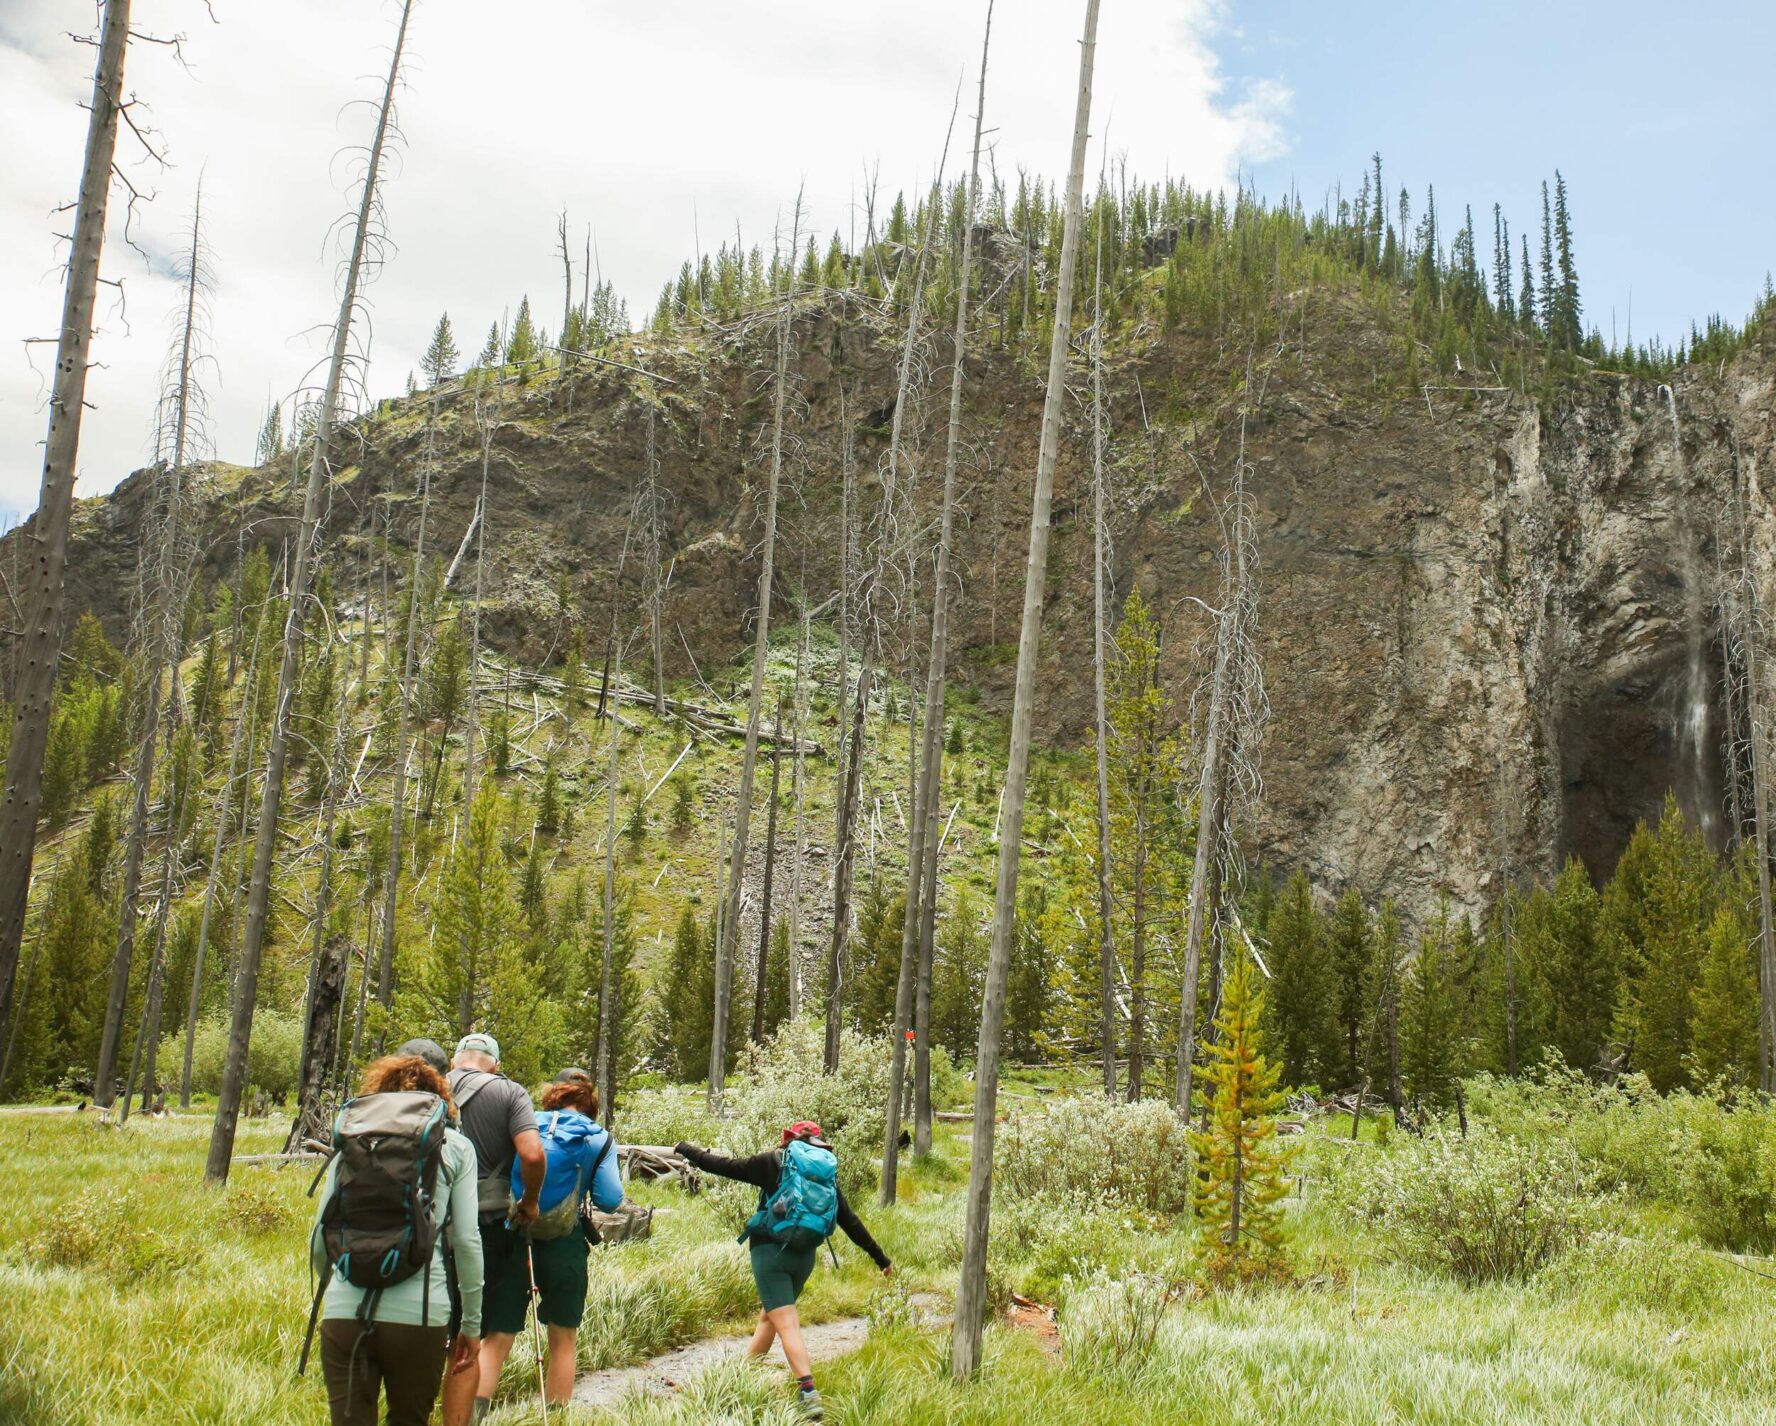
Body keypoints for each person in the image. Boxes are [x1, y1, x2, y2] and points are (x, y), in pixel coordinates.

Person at [309, 1054, 483, 1426]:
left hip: (344, 1311)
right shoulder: (454, 1147)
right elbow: (467, 1241)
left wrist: (335, 1291)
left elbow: (319, 1236)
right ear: (438, 1098)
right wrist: (471, 1323)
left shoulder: (352, 1142)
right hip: (419, 1316)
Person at [674, 1122, 892, 1420]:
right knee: (771, 1316)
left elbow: (723, 1166)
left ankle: (808, 1392)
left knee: (786, 1323)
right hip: (804, 1256)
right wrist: (881, 1259)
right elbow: (850, 1221)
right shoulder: (823, 1173)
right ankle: (743, 1378)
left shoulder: (773, 1161)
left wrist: (686, 1149)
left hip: (770, 1253)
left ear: (787, 1139)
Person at [475, 1069, 625, 1418]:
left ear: (552, 1095)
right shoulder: (597, 1137)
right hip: (564, 1243)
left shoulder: (526, 1124)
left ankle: (471, 1416)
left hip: (516, 1236)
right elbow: (610, 1199)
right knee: (563, 1339)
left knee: (497, 1337)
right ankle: (556, 1416)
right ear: (590, 1103)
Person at [441, 1033, 544, 1426]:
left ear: (455, 1061)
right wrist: (529, 1202)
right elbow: (532, 1153)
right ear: (495, 1065)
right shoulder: (510, 1093)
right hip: (484, 1224)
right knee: (469, 1336)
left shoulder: (434, 1084)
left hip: (427, 1225)